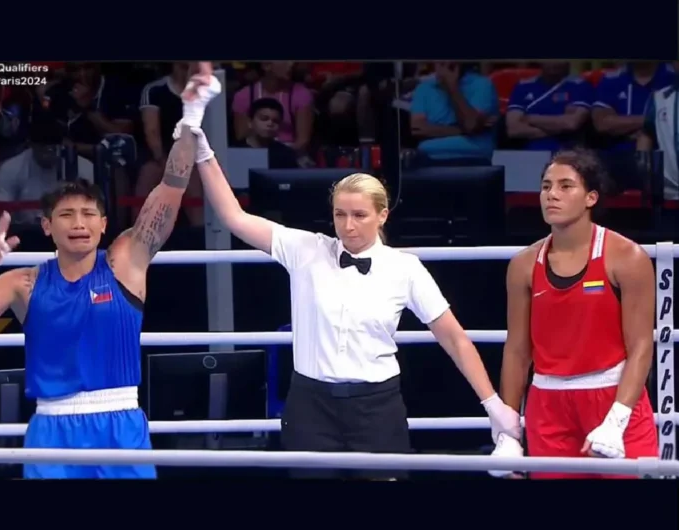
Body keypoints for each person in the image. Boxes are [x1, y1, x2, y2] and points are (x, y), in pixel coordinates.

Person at [179, 73, 520, 480]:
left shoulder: (404, 268)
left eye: (359, 215)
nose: (348, 225)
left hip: (377, 406)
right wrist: (203, 151)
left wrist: (493, 405)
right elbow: (234, 217)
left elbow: (454, 338)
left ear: (382, 215)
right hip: (310, 404)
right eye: (340, 214)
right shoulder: (306, 248)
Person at [0, 62, 221, 479]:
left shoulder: (125, 262)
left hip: (120, 424)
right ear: (47, 226)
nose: (78, 223)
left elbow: (171, 186)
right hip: (51, 429)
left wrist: (191, 117)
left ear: (103, 224)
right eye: (66, 215)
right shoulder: (24, 281)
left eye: (87, 214)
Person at [491, 147, 658, 480]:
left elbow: (641, 346)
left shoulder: (627, 257)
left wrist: (617, 419)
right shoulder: (523, 265)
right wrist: (508, 432)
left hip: (614, 396)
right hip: (548, 405)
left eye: (565, 186)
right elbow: (517, 350)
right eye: (546, 186)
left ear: (591, 197)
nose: (552, 194)